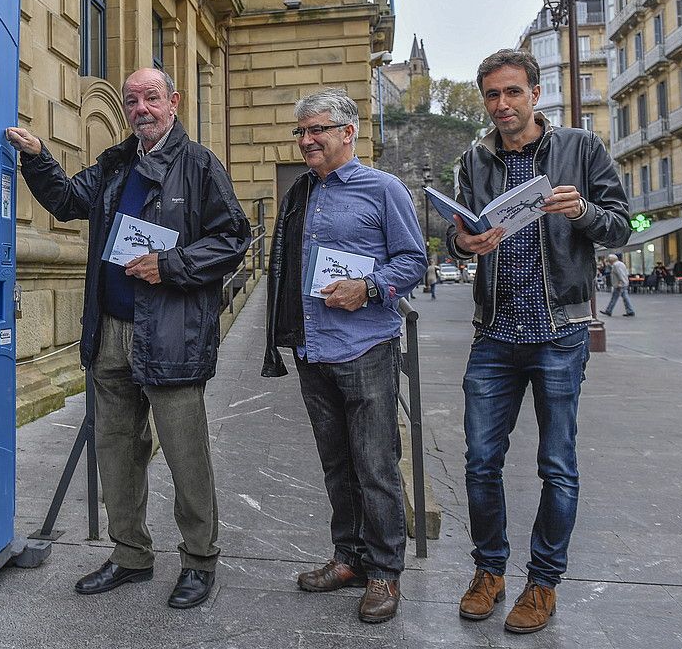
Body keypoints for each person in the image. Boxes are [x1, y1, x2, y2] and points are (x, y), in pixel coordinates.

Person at [5, 69, 251, 609]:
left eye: (152, 98)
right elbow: (67, 200)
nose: (142, 108)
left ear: (174, 102)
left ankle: (199, 561)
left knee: (186, 455)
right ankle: (131, 554)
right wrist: (38, 155)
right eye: (132, 100)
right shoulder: (116, 165)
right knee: (117, 450)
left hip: (170, 335)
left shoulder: (200, 165)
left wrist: (172, 264)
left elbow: (234, 239)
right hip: (110, 333)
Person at [445, 49, 629, 634]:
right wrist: (462, 245)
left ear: (535, 93)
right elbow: (461, 233)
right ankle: (489, 571)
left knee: (558, 466)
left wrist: (584, 213)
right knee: (479, 462)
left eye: (512, 93)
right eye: (492, 96)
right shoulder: (475, 160)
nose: (502, 106)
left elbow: (622, 225)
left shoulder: (579, 149)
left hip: (560, 333)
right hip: (494, 334)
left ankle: (543, 583)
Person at [262, 88, 426, 624]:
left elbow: (413, 261)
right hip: (314, 349)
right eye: (301, 132)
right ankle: (349, 558)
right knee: (337, 466)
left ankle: (384, 573)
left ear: (348, 133)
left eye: (318, 130)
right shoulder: (301, 194)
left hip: (366, 348)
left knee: (376, 466)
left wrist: (370, 286)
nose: (307, 140)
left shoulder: (383, 189)